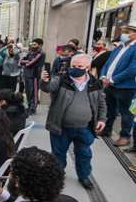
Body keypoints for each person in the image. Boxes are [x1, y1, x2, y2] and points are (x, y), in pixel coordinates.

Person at [42, 54, 106, 190]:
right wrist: (45, 81)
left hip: (85, 128)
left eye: (79, 66)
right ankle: (57, 177)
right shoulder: (61, 80)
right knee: (58, 155)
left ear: (88, 68)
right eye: (73, 66)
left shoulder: (95, 83)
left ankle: (84, 176)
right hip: (61, 127)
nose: (75, 69)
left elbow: (101, 103)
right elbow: (48, 87)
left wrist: (102, 119)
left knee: (84, 154)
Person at [100, 23, 136, 147]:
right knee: (110, 109)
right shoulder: (119, 47)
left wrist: (113, 79)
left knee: (126, 113)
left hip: (126, 86)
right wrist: (104, 76)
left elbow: (132, 69)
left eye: (128, 31)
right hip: (110, 84)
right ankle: (107, 129)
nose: (124, 34)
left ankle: (125, 136)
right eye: (124, 31)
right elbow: (107, 63)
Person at [20, 38, 45, 115]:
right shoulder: (31, 52)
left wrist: (25, 63)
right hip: (27, 74)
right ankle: (29, 106)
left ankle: (33, 107)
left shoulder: (41, 53)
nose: (33, 46)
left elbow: (30, 63)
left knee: (33, 92)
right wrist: (25, 62)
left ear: (40, 45)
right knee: (27, 91)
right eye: (32, 44)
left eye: (35, 44)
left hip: (34, 75)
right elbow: (21, 61)